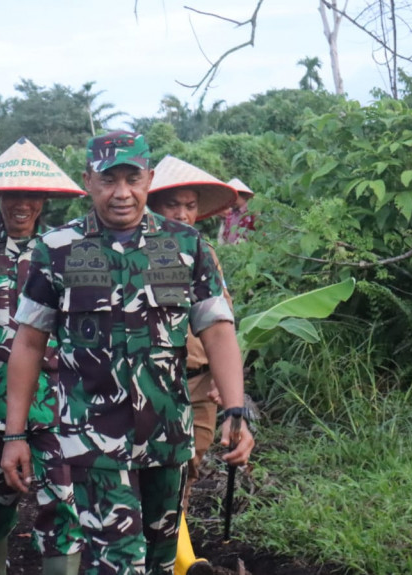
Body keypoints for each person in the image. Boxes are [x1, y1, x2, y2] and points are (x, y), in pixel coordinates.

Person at [1, 131, 255, 575]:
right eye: (108, 179)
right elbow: (27, 342)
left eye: (132, 178)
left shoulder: (185, 246)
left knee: (159, 560)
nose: (122, 192)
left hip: (167, 432)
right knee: (118, 564)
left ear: (149, 179)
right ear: (88, 182)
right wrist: (15, 434)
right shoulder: (57, 249)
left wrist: (235, 408)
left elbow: (216, 330)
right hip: (93, 436)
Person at [0, 138, 86, 575]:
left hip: (56, 406)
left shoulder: (68, 250)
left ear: (44, 199)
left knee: (63, 509)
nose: (20, 204)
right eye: (11, 195)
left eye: (31, 195)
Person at [146, 155, 237, 575]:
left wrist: (228, 384)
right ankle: (173, 561)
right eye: (172, 205)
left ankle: (172, 555)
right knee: (156, 472)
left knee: (190, 466)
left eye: (189, 205)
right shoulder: (134, 252)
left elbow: (221, 325)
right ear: (153, 205)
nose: (182, 214)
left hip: (200, 385)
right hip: (152, 382)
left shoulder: (204, 253)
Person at [219, 178, 256, 244]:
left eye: (234, 197)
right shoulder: (230, 214)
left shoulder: (253, 213)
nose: (231, 201)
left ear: (243, 196)